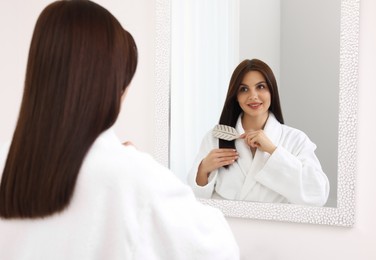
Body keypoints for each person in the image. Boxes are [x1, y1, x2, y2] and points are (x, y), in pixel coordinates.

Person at [0, 1, 239, 259]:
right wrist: (132, 164)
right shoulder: (133, 179)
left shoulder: (6, 164)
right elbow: (221, 250)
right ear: (112, 87)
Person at [187, 59, 329, 206]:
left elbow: (317, 195)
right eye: (244, 89)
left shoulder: (296, 140)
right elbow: (193, 202)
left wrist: (273, 151)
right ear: (236, 96)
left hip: (274, 228)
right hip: (225, 226)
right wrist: (203, 170)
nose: (253, 96)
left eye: (260, 87)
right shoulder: (214, 138)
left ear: (272, 91)